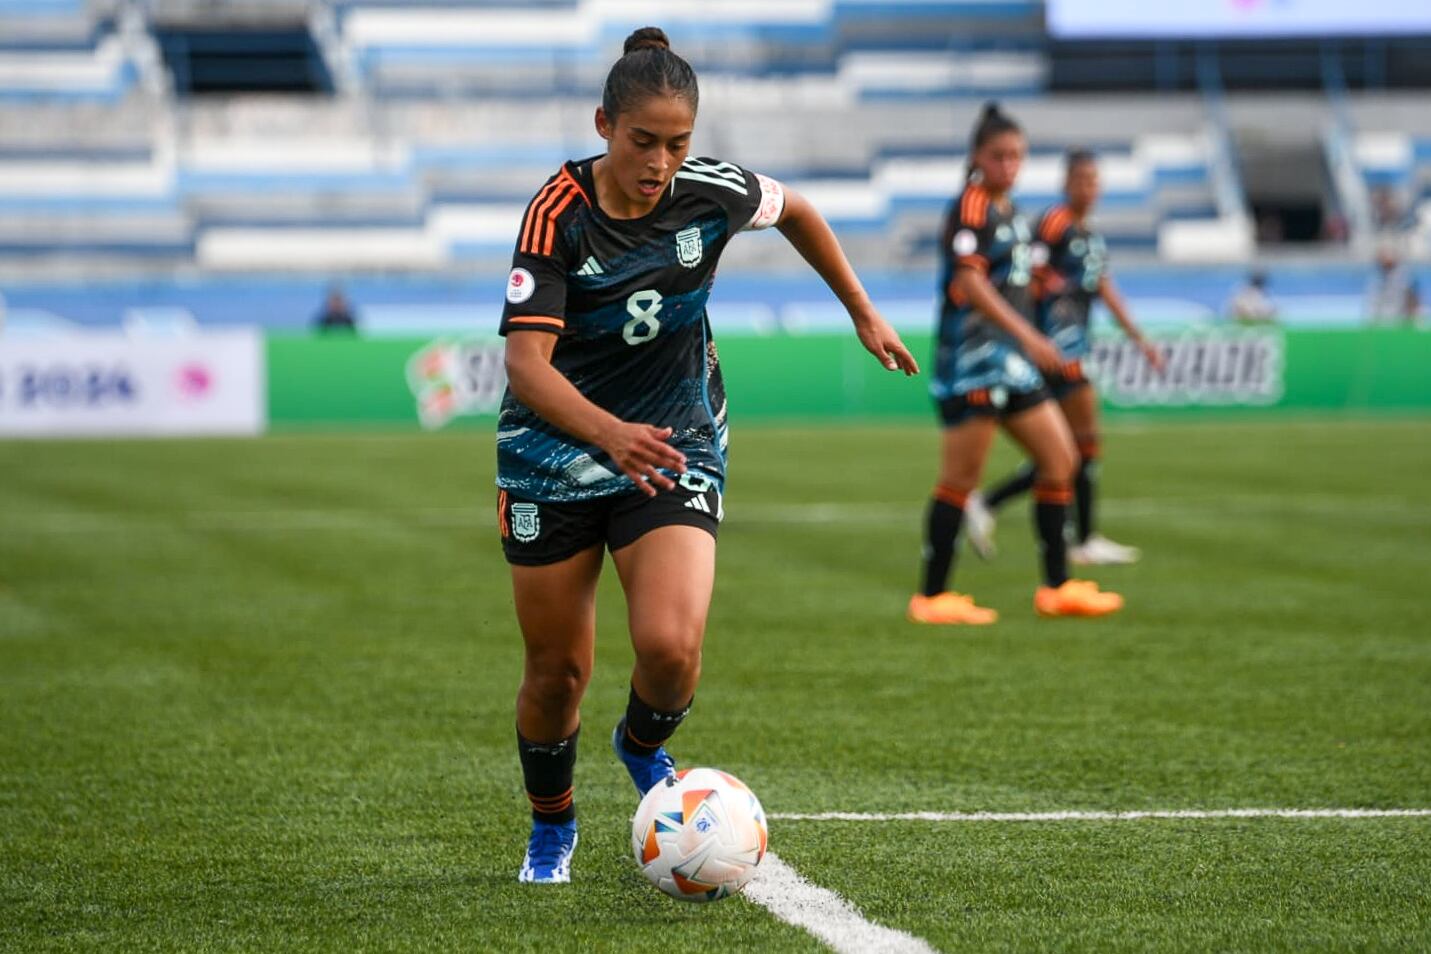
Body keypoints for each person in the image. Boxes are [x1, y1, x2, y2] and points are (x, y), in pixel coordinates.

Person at [497, 27, 918, 884]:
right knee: (557, 671)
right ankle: (551, 825)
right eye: (642, 141)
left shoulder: (711, 191)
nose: (659, 162)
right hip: (551, 456)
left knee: (670, 649)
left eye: (677, 143)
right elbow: (525, 367)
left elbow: (797, 210)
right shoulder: (556, 214)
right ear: (604, 126)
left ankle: (638, 744)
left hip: (674, 438)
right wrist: (606, 433)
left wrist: (860, 309)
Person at [907, 103, 1123, 626]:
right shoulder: (971, 207)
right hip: (973, 363)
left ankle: (1057, 587)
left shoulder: (1011, 212)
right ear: (977, 157)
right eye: (999, 156)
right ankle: (931, 596)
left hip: (1013, 365)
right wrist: (1031, 335)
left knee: (1061, 458)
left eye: (1017, 156)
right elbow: (969, 282)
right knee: (960, 479)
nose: (1009, 165)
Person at [966, 150, 1166, 566]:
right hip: (1056, 351)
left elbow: (1104, 289)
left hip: (1075, 346)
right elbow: (1028, 278)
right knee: (1083, 441)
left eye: (1094, 181)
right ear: (1067, 183)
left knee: (1068, 449)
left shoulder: (1091, 236)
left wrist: (1139, 339)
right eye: (1082, 180)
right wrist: (1031, 337)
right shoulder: (1054, 223)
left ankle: (991, 503)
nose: (1089, 188)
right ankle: (1081, 538)